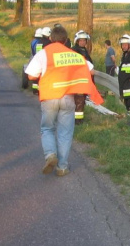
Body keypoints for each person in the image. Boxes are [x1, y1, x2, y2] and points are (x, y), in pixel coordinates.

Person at [25, 25, 103, 176]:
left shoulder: (43, 54)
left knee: (47, 129)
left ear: (50, 39)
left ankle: (50, 155)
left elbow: (30, 76)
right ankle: (62, 167)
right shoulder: (73, 54)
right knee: (65, 133)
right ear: (66, 40)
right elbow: (91, 70)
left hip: (49, 97)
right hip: (68, 98)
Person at [71, 30, 93, 124]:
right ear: (77, 41)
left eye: (84, 40)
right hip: (78, 80)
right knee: (79, 101)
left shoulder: (83, 50)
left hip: (83, 79)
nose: (83, 42)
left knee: (81, 100)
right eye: (81, 40)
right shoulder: (75, 50)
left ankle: (78, 119)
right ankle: (78, 121)